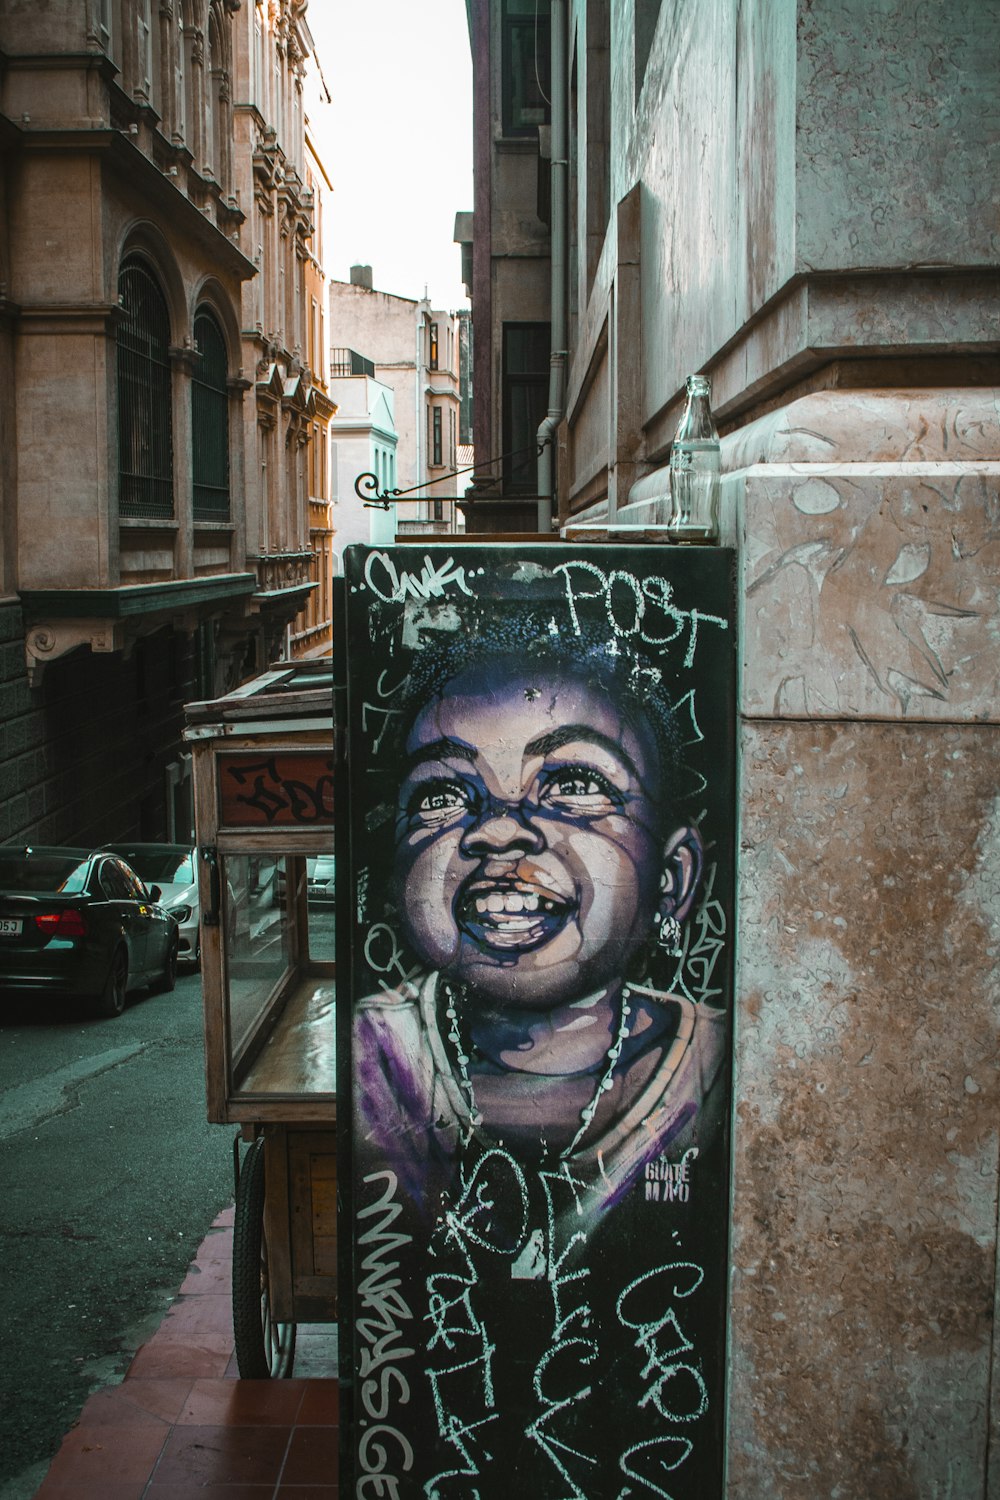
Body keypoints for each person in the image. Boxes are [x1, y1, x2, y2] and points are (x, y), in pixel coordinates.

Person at [353, 627, 726, 1222]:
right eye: (445, 794)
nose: (498, 832)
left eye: (575, 787)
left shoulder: (716, 1067)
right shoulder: (371, 1062)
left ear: (672, 878)